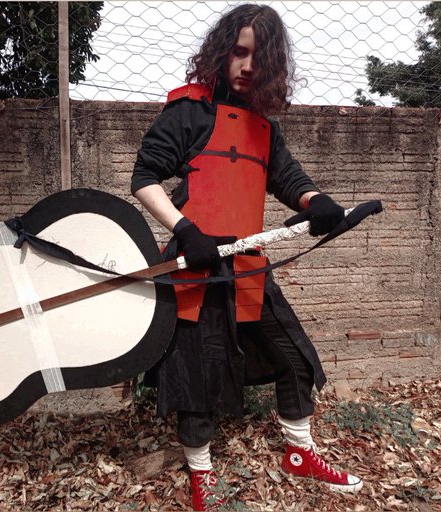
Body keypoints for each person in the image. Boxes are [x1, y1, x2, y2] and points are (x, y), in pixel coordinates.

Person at [131, 4, 363, 510]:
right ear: (222, 51)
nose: (248, 66)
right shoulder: (188, 111)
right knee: (197, 378)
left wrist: (316, 202)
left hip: (249, 265)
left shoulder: (264, 128)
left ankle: (299, 452)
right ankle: (201, 475)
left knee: (294, 356)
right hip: (197, 267)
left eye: (260, 57)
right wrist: (185, 229)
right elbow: (144, 177)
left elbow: (289, 179)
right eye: (239, 52)